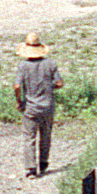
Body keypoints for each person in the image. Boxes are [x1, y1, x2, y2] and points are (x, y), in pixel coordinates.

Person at [12, 33, 63, 178]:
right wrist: (48, 87)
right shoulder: (50, 64)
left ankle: (31, 169)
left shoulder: (23, 66)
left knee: (29, 137)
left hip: (31, 107)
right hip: (47, 106)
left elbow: (17, 86)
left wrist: (19, 101)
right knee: (45, 135)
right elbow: (59, 83)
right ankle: (43, 163)